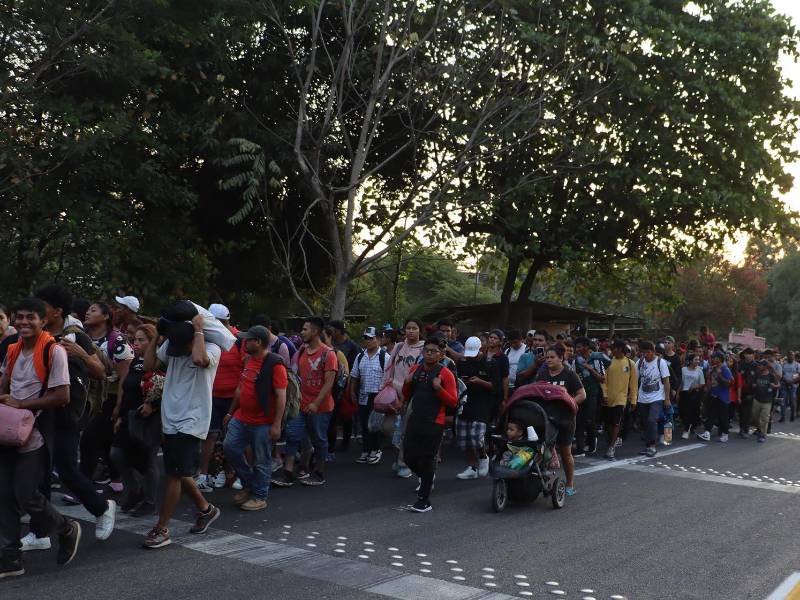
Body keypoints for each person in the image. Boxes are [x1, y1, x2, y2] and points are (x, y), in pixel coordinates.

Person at [28, 284, 115, 549]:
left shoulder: (75, 335)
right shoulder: (36, 333)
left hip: (66, 413)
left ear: (57, 310)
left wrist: (80, 354)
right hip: (39, 410)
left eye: (42, 304)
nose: (36, 309)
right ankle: (40, 532)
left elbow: (101, 372)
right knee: (39, 472)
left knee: (66, 469)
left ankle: (101, 507)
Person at [0, 298, 82, 578]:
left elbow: (62, 396)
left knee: (25, 493)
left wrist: (21, 405)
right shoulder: (12, 350)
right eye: (19, 317)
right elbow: (4, 384)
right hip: (8, 432)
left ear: (43, 321)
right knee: (4, 495)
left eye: (30, 317)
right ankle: (11, 558)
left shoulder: (53, 350)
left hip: (34, 433)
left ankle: (66, 528)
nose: (23, 322)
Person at [141, 310, 223, 549]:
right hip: (171, 415)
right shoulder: (173, 347)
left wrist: (198, 330)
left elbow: (199, 360)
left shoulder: (212, 348)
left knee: (174, 474)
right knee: (177, 468)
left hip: (193, 417)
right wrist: (158, 335)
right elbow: (148, 364)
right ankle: (206, 509)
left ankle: (162, 528)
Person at [223, 326, 287, 511]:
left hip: (263, 423)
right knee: (230, 447)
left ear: (258, 342)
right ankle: (249, 483)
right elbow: (240, 389)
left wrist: (276, 425)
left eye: (248, 340)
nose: (244, 342)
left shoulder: (275, 364)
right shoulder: (248, 360)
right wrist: (230, 412)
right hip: (242, 417)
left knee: (262, 460)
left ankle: (259, 496)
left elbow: (281, 396)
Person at [271, 317, 336, 487]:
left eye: (305, 329)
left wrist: (315, 403)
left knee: (319, 439)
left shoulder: (328, 354)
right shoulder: (301, 351)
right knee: (293, 436)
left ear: (315, 331)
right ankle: (288, 473)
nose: (302, 332)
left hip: (321, 408)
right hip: (300, 405)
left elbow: (329, 383)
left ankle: (319, 473)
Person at [109, 324, 165, 518]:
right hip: (130, 416)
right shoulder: (135, 361)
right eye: (135, 340)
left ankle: (150, 502)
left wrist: (153, 404)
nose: (137, 343)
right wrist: (121, 414)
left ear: (153, 342)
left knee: (148, 459)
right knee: (117, 454)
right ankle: (134, 490)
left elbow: (166, 387)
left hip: (149, 419)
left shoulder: (160, 361)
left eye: (142, 340)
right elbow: (128, 388)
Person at [402, 336, 458, 512]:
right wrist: (407, 383)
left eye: (434, 351)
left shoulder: (445, 373)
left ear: (441, 354)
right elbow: (407, 394)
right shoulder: (416, 369)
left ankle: (424, 500)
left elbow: (453, 401)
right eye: (426, 350)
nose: (429, 354)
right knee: (409, 456)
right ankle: (427, 477)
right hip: (416, 419)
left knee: (427, 458)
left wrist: (439, 389)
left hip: (435, 422)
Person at [81, 302, 134, 490]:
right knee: (104, 439)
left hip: (108, 397)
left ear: (105, 316)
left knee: (89, 438)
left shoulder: (117, 340)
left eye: (93, 310)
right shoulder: (82, 337)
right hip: (86, 395)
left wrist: (120, 405)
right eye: (88, 310)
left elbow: (125, 376)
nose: (88, 312)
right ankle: (116, 477)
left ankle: (83, 485)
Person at [195, 303, 243, 493]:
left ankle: (237, 473)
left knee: (235, 437)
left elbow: (246, 370)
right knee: (210, 436)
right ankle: (205, 475)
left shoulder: (240, 340)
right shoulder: (204, 337)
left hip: (235, 397)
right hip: (212, 395)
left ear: (224, 321)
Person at [536, 344, 585, 495]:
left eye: (552, 357)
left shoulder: (570, 375)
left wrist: (570, 404)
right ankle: (538, 482)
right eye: (547, 357)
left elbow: (582, 394)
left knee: (566, 452)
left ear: (561, 358)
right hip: (545, 419)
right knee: (538, 450)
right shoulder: (542, 374)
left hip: (565, 420)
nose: (548, 360)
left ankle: (570, 484)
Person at [456, 334, 505, 480]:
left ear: (481, 349)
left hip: (483, 404)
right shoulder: (463, 362)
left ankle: (483, 457)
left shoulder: (491, 363)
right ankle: (472, 466)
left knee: (477, 436)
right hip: (465, 402)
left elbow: (497, 387)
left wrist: (480, 382)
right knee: (464, 437)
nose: (470, 356)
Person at [384, 318, 425, 479]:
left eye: (414, 328)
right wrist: (384, 386)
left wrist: (409, 395)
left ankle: (403, 463)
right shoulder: (399, 346)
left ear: (420, 330)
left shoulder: (424, 349)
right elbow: (389, 368)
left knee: (407, 431)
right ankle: (401, 455)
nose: (411, 331)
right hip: (393, 393)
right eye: (408, 328)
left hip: (411, 395)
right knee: (387, 427)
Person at [350, 327, 387, 465]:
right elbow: (354, 376)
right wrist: (352, 391)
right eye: (366, 338)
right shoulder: (360, 356)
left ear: (378, 339)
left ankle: (376, 450)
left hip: (378, 396)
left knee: (375, 425)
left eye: (371, 338)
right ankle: (366, 450)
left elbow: (389, 378)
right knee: (364, 424)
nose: (368, 341)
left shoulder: (385, 357)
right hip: (363, 395)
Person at [602, 339, 638, 459]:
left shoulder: (630, 363)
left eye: (615, 348)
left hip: (621, 399)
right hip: (607, 398)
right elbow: (603, 380)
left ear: (620, 349)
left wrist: (633, 400)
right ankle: (611, 440)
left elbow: (633, 384)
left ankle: (611, 447)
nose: (612, 350)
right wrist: (604, 394)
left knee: (617, 423)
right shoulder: (608, 362)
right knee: (607, 423)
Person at [574, 337, 609, 457]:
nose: (577, 349)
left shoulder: (596, 359)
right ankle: (579, 448)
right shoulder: (575, 360)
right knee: (578, 420)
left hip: (593, 393)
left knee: (590, 419)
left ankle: (591, 442)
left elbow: (602, 378)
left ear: (586, 347)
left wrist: (590, 369)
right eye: (576, 347)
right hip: (579, 393)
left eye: (579, 347)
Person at [636, 340, 671, 457]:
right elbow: (634, 379)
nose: (643, 355)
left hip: (657, 397)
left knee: (652, 420)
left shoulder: (661, 362)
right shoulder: (640, 362)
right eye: (642, 353)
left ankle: (652, 446)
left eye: (645, 352)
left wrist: (667, 398)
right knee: (645, 422)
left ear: (651, 351)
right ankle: (648, 446)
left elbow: (666, 382)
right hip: (642, 398)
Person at [697, 352, 733, 442]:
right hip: (713, 395)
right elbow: (710, 381)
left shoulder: (725, 369)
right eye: (712, 357)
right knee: (711, 415)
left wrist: (720, 375)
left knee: (723, 417)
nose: (712, 359)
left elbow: (728, 384)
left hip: (723, 398)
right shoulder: (713, 369)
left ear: (720, 359)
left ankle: (725, 434)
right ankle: (707, 433)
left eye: (714, 358)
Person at [679, 353, 705, 439]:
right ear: (690, 361)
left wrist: (694, 387)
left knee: (692, 412)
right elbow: (680, 382)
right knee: (683, 412)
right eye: (695, 359)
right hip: (684, 393)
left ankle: (687, 430)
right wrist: (678, 393)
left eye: (698, 359)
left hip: (694, 393)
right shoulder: (683, 370)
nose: (698, 361)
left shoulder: (699, 370)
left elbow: (702, 383)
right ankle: (688, 426)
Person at [752, 360, 779, 443]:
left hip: (767, 401)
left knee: (764, 418)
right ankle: (759, 429)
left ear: (765, 366)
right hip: (757, 399)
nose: (759, 367)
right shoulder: (757, 374)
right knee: (755, 417)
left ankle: (763, 434)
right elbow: (753, 384)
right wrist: (754, 385)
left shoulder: (771, 376)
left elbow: (778, 385)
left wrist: (774, 386)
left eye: (760, 365)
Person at [737, 348, 759, 439]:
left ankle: (745, 430)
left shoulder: (756, 365)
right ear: (744, 354)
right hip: (740, 391)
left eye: (750, 354)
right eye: (746, 353)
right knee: (740, 412)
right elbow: (737, 377)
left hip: (751, 392)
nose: (748, 355)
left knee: (747, 412)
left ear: (753, 355)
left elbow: (759, 377)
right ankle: (742, 428)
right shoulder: (740, 364)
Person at [780, 350, 799, 423]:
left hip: (793, 386)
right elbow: (781, 374)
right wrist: (786, 381)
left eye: (792, 355)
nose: (791, 356)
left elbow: (798, 375)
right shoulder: (784, 364)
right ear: (787, 356)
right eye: (789, 355)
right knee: (783, 401)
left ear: (794, 356)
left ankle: (792, 414)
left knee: (791, 401)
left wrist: (792, 382)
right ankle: (783, 417)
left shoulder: (797, 365)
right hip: (784, 385)